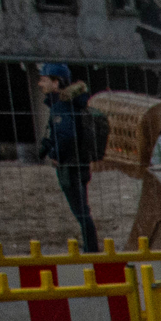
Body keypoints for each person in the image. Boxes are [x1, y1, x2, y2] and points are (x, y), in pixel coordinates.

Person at [36, 65, 99, 253]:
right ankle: (91, 247)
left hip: (70, 165)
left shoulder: (62, 106)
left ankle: (91, 249)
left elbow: (65, 135)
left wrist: (55, 155)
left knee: (81, 212)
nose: (40, 84)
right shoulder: (70, 104)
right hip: (80, 163)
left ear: (56, 82)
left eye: (44, 79)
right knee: (82, 210)